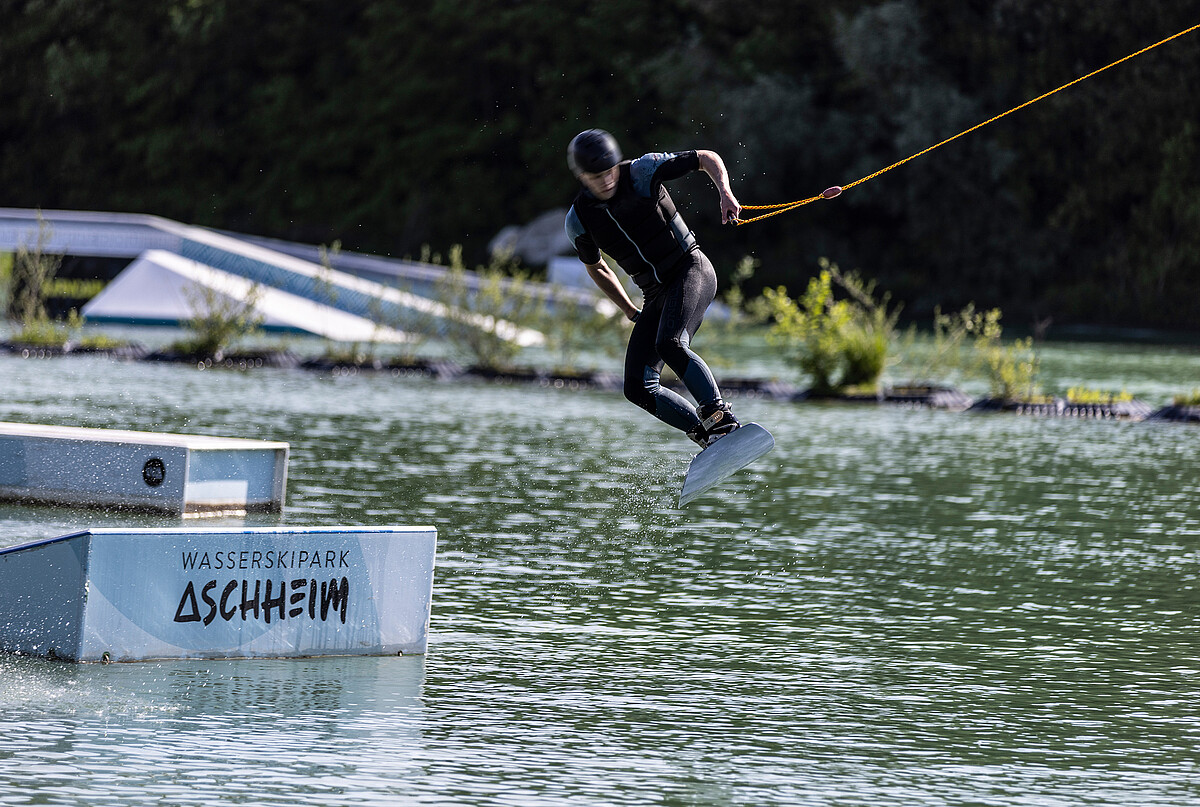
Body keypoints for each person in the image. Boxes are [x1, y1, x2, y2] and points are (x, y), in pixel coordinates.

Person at [564, 128, 743, 448]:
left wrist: (725, 193)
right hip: (655, 296)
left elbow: (705, 158)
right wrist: (629, 310)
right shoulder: (579, 220)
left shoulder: (642, 171)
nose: (606, 181)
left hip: (691, 270)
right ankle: (708, 438)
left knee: (670, 343)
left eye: (609, 172)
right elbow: (597, 267)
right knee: (637, 386)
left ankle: (721, 419)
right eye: (596, 177)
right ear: (581, 176)